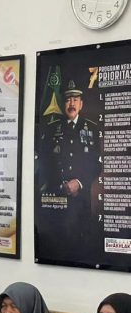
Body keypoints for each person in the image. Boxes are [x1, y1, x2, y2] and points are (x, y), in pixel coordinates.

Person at [38, 80, 101, 249]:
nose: (71, 104)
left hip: (81, 202)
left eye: (75, 99)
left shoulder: (92, 129)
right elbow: (45, 161)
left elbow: (97, 164)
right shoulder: (52, 129)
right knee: (56, 246)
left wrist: (79, 183)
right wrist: (61, 184)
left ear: (81, 104)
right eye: (67, 100)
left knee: (81, 247)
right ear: (63, 104)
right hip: (57, 198)